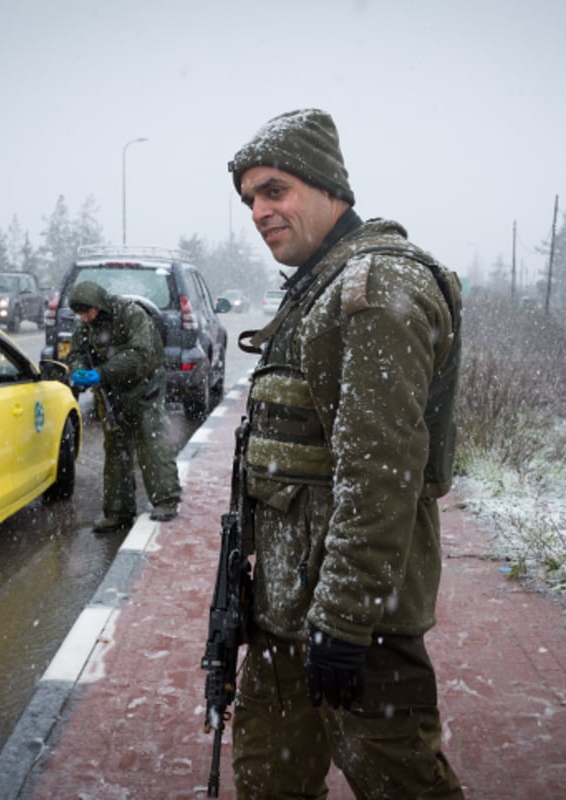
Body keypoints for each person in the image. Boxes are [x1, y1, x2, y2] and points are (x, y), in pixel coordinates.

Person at [226, 108, 465, 798]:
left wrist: (343, 619)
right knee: (270, 783)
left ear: (331, 188)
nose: (260, 211)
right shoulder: (319, 288)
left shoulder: (375, 289)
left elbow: (378, 474)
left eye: (276, 190)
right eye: (250, 199)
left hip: (357, 631)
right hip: (287, 622)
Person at [66, 280, 181, 531]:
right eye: (80, 314)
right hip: (112, 391)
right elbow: (75, 353)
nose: (84, 318)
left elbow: (139, 354)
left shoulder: (130, 314)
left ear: (98, 305)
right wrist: (78, 371)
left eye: (87, 312)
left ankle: (166, 500)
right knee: (116, 446)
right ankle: (118, 512)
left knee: (150, 440)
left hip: (144, 386)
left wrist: (102, 373)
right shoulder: (86, 326)